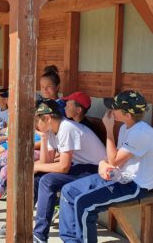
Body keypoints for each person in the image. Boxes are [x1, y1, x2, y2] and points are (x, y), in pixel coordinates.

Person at [59, 90, 153, 243]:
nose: (110, 110)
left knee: (84, 204)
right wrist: (103, 164)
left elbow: (115, 160)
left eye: (114, 108)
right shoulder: (125, 127)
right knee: (69, 191)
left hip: (135, 185)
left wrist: (109, 130)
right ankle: (70, 240)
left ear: (128, 115)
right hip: (120, 177)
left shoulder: (142, 132)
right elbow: (112, 158)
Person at [32, 99, 106, 243]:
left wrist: (36, 167)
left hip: (97, 170)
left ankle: (39, 235)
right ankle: (26, 221)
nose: (35, 126)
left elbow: (63, 167)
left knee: (47, 180)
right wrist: (44, 138)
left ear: (47, 118)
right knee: (39, 177)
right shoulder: (53, 129)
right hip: (82, 166)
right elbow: (45, 163)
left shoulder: (66, 128)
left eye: (37, 122)